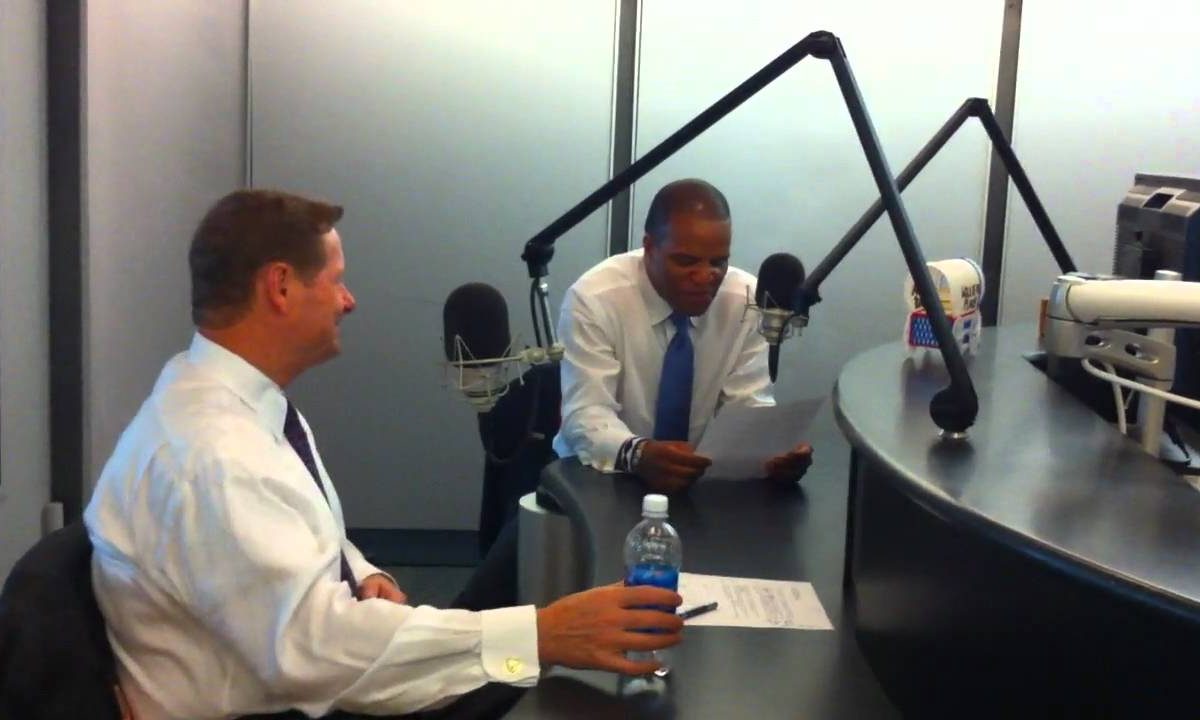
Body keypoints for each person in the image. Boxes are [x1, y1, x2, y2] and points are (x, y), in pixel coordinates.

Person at [83, 189, 683, 720]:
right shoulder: (213, 456)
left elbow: (288, 537)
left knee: (545, 679)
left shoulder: (225, 396)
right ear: (281, 286)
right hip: (284, 700)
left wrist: (361, 572)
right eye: (336, 280)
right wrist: (543, 632)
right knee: (570, 690)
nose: (350, 301)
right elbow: (314, 653)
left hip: (297, 672)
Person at [552, 178, 814, 494]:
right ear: (649, 248)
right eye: (686, 261)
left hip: (696, 483)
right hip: (602, 474)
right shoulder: (595, 299)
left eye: (719, 262)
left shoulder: (746, 299)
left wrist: (771, 452)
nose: (706, 276)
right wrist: (639, 455)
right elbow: (587, 414)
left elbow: (748, 405)